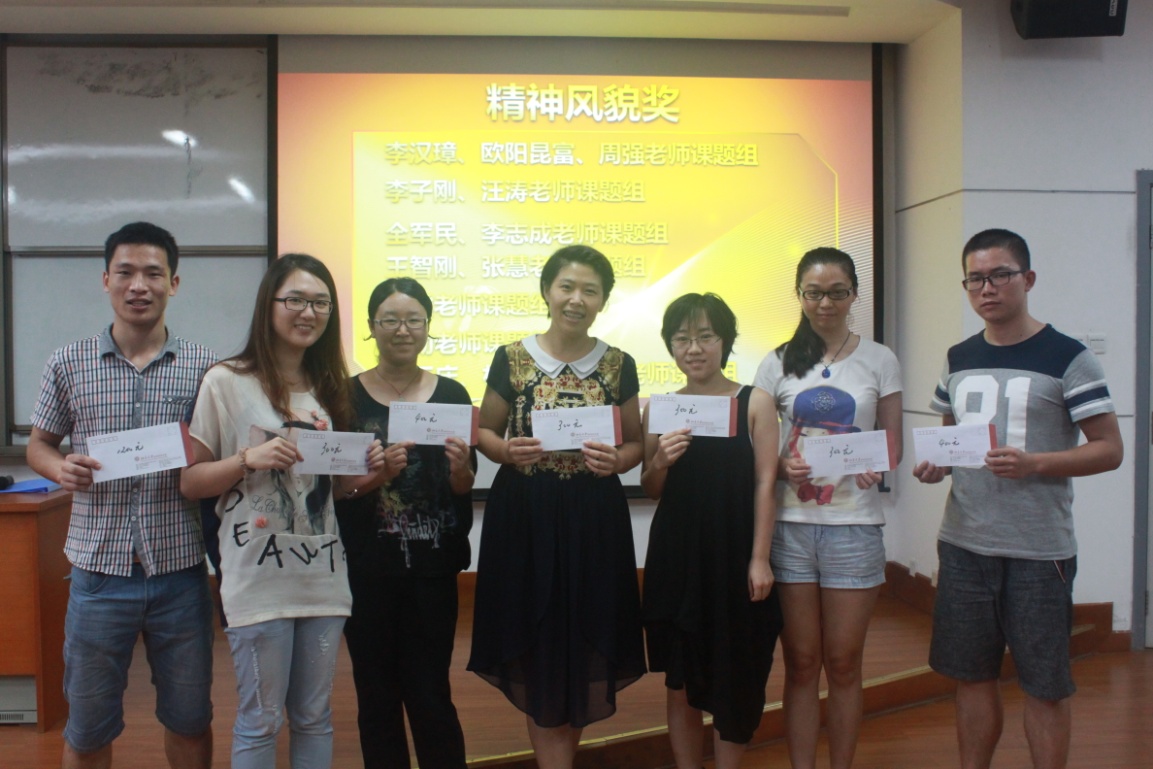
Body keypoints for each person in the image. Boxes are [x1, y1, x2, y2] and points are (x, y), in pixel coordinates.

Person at [913, 228, 1123, 769]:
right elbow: (950, 441)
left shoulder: (1069, 357)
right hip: (963, 545)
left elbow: (1110, 449)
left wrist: (1035, 464)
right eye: (975, 279)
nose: (987, 288)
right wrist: (936, 465)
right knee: (971, 677)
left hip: (1039, 551)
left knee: (1045, 686)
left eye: (1000, 275)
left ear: (1027, 279)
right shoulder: (958, 357)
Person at [180, 253, 384, 769]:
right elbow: (190, 481)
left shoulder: (332, 387)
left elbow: (335, 493)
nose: (308, 312)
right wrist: (247, 459)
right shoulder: (225, 381)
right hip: (257, 580)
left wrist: (372, 472)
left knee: (315, 718)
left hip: (323, 577)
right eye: (295, 299)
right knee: (261, 720)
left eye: (320, 303)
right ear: (268, 305)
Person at [26, 221, 217, 769]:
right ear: (105, 279)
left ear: (173, 283)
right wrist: (61, 468)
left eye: (153, 273)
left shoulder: (205, 368)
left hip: (180, 570)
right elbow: (39, 445)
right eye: (126, 272)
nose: (139, 285)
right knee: (87, 727)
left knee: (190, 718)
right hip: (97, 573)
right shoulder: (69, 362)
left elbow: (216, 456)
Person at [467, 244, 646, 769]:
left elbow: (636, 443)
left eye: (590, 290)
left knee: (583, 640)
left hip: (594, 520)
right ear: (547, 291)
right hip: (526, 519)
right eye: (567, 286)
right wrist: (506, 451)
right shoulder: (512, 358)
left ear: (603, 300)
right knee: (539, 643)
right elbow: (485, 431)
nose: (576, 299)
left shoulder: (619, 363)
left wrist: (617, 460)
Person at [753, 247, 903, 769]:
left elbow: (892, 445)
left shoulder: (880, 359)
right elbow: (760, 448)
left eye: (837, 292)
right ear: (799, 296)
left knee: (842, 663)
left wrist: (876, 464)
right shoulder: (775, 361)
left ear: (854, 294)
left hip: (853, 526)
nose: (825, 303)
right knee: (800, 662)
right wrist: (782, 465)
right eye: (814, 293)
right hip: (791, 527)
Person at [335, 277, 474, 769]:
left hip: (432, 569)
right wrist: (378, 476)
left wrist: (461, 469)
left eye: (414, 320)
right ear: (372, 327)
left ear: (427, 327)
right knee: (375, 695)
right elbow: (338, 489)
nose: (402, 329)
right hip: (366, 569)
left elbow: (463, 485)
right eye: (390, 319)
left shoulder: (452, 392)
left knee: (431, 691)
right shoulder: (344, 397)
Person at [640, 293, 782, 769]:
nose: (694, 348)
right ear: (670, 346)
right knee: (679, 678)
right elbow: (652, 488)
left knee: (736, 673)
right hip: (677, 557)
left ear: (725, 341)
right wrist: (660, 460)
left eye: (706, 336)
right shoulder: (660, 407)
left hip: (734, 554)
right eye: (682, 338)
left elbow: (766, 482)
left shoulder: (754, 401)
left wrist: (759, 558)